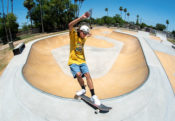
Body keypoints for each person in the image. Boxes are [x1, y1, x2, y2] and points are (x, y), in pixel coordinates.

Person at [68, 12, 101, 106]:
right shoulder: (73, 35)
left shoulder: (84, 37)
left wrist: (88, 33)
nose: (85, 35)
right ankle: (83, 89)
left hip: (82, 61)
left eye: (86, 34)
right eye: (84, 33)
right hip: (73, 61)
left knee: (87, 75)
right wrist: (81, 18)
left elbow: (88, 34)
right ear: (80, 31)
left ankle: (93, 96)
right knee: (78, 75)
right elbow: (70, 25)